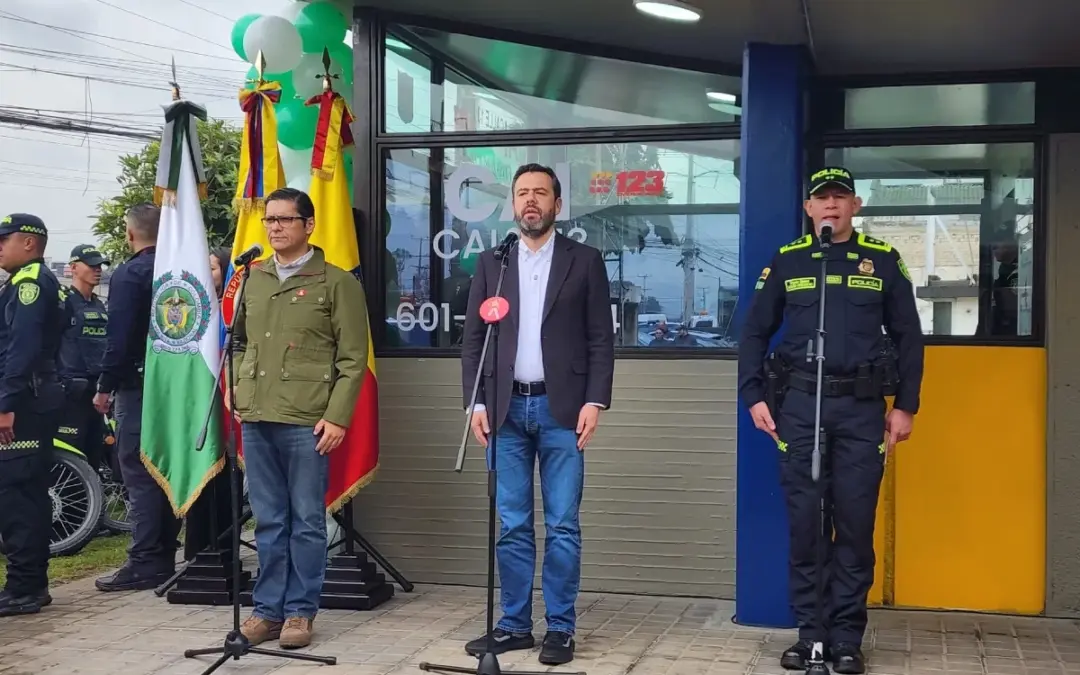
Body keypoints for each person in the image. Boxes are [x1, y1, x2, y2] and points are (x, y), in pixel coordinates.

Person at [737, 167, 925, 675]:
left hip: (862, 411)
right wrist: (753, 395)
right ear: (809, 209)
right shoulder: (789, 260)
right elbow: (754, 332)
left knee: (855, 526)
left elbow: (909, 336)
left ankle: (846, 638)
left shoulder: (883, 261)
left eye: (840, 198)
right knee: (805, 526)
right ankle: (809, 635)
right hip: (799, 407)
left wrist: (906, 405)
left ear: (856, 206)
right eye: (822, 199)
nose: (831, 206)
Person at [459, 163, 615, 667]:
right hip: (504, 410)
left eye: (540, 193)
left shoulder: (584, 260)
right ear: (513, 203)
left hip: (562, 409)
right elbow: (474, 341)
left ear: (557, 205)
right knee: (512, 524)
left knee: (564, 524)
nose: (531, 201)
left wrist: (596, 400)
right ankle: (513, 625)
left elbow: (600, 338)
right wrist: (476, 402)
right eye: (522, 193)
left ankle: (561, 629)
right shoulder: (492, 262)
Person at [231, 187, 370, 650]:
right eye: (269, 220)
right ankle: (266, 611)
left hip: (308, 421)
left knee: (307, 520)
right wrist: (235, 387)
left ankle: (299, 612)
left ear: (308, 225)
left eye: (285, 220)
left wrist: (337, 417)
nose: (274, 228)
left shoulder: (336, 282)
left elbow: (353, 359)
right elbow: (240, 342)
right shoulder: (254, 278)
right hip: (258, 414)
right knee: (268, 520)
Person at [93, 203, 182, 592]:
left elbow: (120, 338)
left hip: (138, 384)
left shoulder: (130, 275)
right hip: (178, 384)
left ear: (130, 234)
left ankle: (146, 558)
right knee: (167, 467)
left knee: (138, 467)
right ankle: (164, 552)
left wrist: (104, 386)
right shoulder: (178, 269)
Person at [0, 213, 65, 617]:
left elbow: (21, 349)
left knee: (17, 496)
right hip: (32, 398)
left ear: (28, 243)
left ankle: (24, 588)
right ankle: (30, 584)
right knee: (24, 494)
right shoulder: (32, 282)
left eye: (4, 239)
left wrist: (5, 404)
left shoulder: (29, 284)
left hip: (24, 402)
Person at [56, 244, 110, 472]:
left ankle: (94, 506)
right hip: (70, 394)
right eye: (91, 265)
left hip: (97, 394)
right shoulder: (63, 302)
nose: (97, 270)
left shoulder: (100, 305)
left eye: (100, 265)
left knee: (93, 456)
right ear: (74, 268)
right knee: (69, 456)